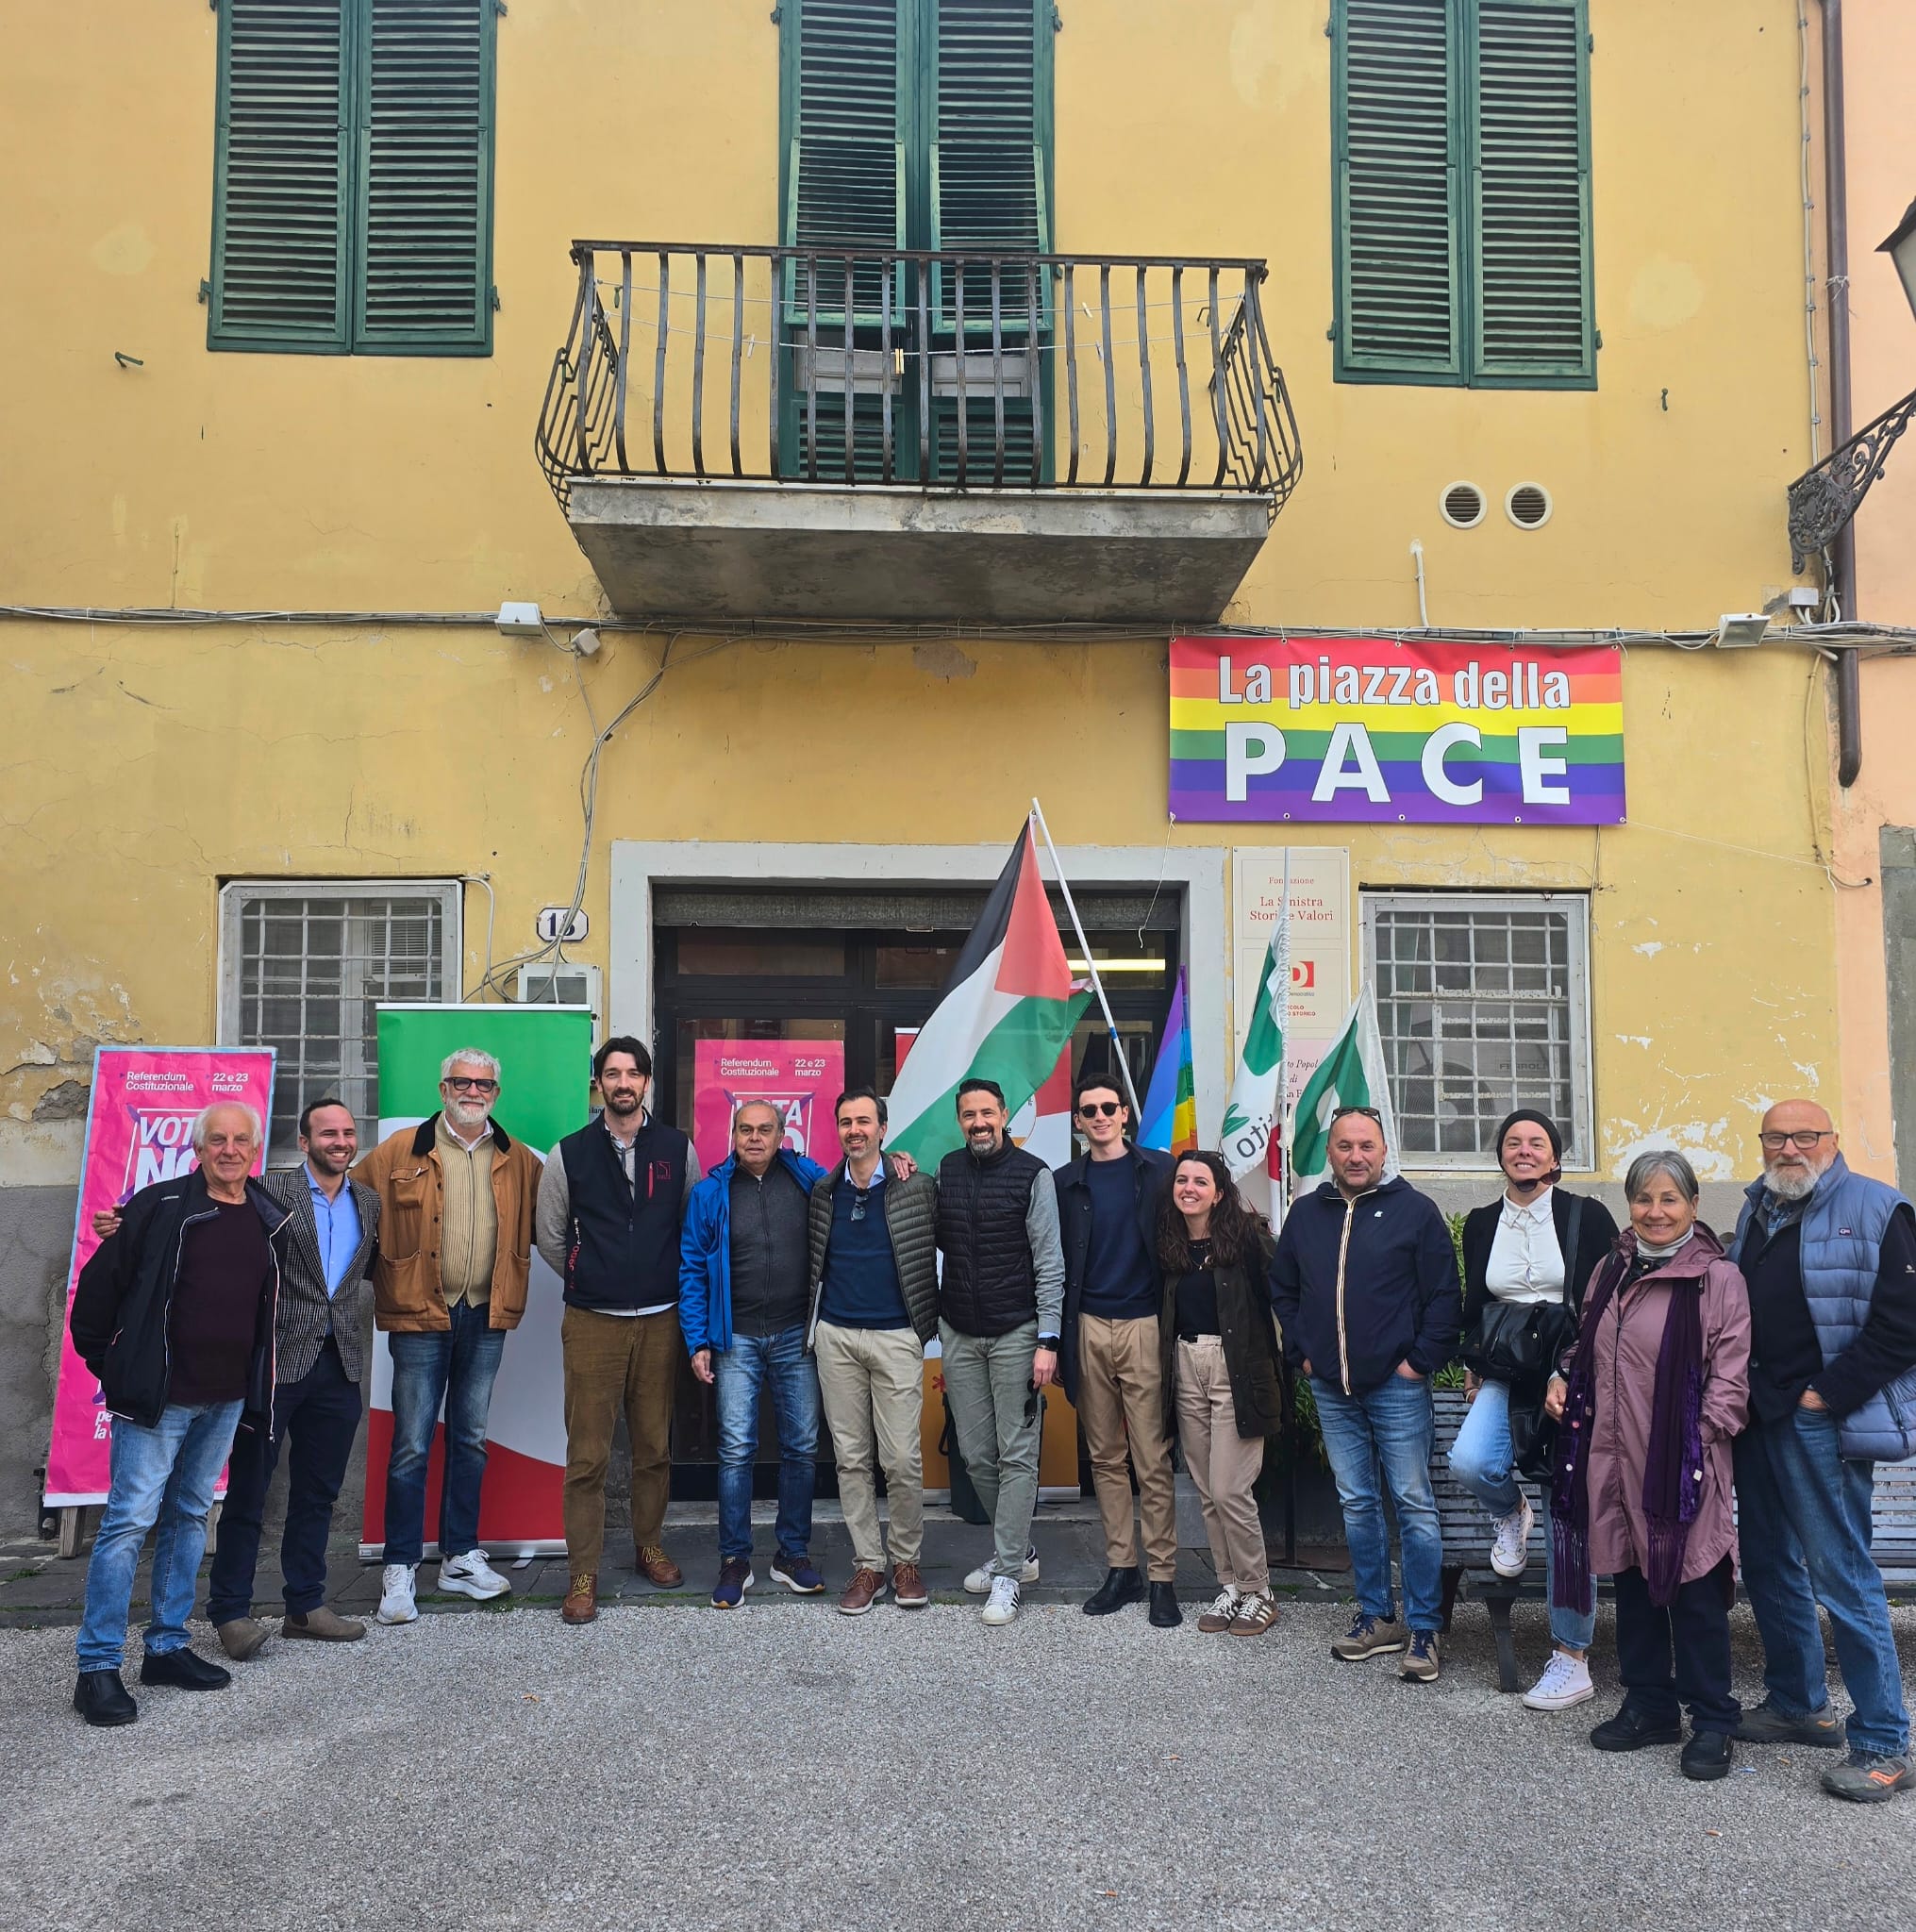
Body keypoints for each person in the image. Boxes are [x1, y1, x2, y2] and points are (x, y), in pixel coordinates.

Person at [68, 1104, 291, 1725]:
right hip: (159, 1399)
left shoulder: (266, 1214)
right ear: (198, 1149)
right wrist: (118, 1367)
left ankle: (166, 1647)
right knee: (128, 1524)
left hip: (225, 1397)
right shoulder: (160, 1205)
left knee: (190, 1515)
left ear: (255, 1149)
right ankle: (97, 1668)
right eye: (216, 1139)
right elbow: (97, 1293)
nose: (229, 1149)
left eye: (240, 1140)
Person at [1725, 1098, 1916, 1803]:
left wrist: (1824, 1395)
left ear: (1831, 1141)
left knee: (1842, 1575)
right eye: (1776, 1137)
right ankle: (1797, 1704)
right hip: (1759, 1415)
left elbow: (1904, 1325)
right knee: (1767, 1562)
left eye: (1805, 1136)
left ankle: (1883, 1744)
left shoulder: (1877, 1208)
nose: (1789, 1148)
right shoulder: (1759, 1209)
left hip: (1819, 1421)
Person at [1546, 1150, 1751, 1781]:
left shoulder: (1717, 1279)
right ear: (1629, 1204)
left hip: (1682, 1467)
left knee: (1693, 1592)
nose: (1655, 1212)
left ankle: (1713, 1719)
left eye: (1669, 1199)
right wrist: (1561, 1376)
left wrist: (1693, 1444)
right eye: (1643, 1199)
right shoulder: (1612, 1266)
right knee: (1632, 1584)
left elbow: (1730, 1382)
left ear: (1693, 1205)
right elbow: (1588, 1345)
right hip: (1611, 1460)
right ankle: (1649, 1704)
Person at [1270, 1106, 1458, 1682]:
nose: (1356, 1156)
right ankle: (1377, 1616)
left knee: (1413, 1503)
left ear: (1383, 1151)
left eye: (1366, 1146)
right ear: (1330, 1152)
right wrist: (1304, 1353)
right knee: (1357, 1503)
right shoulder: (1306, 1214)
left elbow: (1444, 1296)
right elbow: (1283, 1291)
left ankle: (1424, 1627)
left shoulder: (1415, 1212)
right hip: (1332, 1387)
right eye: (1345, 1146)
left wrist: (1417, 1364)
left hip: (1397, 1386)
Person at [355, 1048, 542, 1626]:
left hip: (485, 1314)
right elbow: (347, 1209)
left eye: (484, 1084)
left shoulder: (518, 1159)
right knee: (412, 1444)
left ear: (496, 1094)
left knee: (470, 1439)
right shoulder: (398, 1151)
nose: (472, 1091)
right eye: (462, 1082)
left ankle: (459, 1556)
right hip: (419, 1316)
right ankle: (400, 1565)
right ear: (443, 1089)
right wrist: (379, 1274)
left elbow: (553, 1221)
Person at [1454, 1109, 1619, 1711]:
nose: (1524, 1150)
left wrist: (1570, 1372)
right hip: (1508, 1370)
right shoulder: (1481, 1222)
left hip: (1573, 1374)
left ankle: (1571, 1656)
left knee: (1567, 1508)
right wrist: (1474, 1363)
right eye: (1513, 1142)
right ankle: (1510, 1513)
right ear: (1500, 1155)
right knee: (1472, 1461)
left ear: (1555, 1157)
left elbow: (1606, 1304)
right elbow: (1477, 1301)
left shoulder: (1586, 1216)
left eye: (1537, 1142)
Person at [205, 1098, 381, 1657]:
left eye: (348, 1132)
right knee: (250, 1490)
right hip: (275, 1364)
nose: (340, 1142)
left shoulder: (368, 1202)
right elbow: (207, 1213)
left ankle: (305, 1606)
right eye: (327, 1133)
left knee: (318, 1493)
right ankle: (230, 1612)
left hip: (339, 1364)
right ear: (304, 1143)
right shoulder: (268, 1193)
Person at [535, 1036, 700, 1624]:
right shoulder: (569, 1154)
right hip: (592, 1323)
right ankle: (583, 1573)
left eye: (633, 1073)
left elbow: (691, 1226)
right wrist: (591, 1275)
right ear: (598, 1083)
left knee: (654, 1447)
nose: (623, 1083)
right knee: (587, 1456)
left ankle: (649, 1546)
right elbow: (550, 1236)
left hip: (660, 1320)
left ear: (647, 1082)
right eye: (612, 1073)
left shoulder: (677, 1148)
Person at [681, 1099, 828, 1608]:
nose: (755, 1138)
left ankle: (792, 1553)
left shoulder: (810, 1182)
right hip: (735, 1337)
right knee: (736, 1449)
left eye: (765, 1130)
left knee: (801, 1447)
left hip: (796, 1334)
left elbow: (861, 1176)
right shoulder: (709, 1193)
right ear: (734, 1135)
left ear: (782, 1135)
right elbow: (692, 1270)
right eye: (745, 1129)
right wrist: (697, 1339)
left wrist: (896, 1159)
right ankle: (734, 1559)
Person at [935, 1078, 1067, 1627]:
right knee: (975, 1455)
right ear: (960, 1120)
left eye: (987, 1113)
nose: (979, 1123)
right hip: (961, 1333)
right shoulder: (947, 1170)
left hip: (1017, 1332)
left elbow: (1050, 1262)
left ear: (1005, 1114)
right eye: (969, 1115)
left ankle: (1009, 1572)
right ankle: (1020, 1551)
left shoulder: (1033, 1174)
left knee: (1017, 1454)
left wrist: (1048, 1340)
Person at [806, 1087, 939, 1616]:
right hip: (837, 1337)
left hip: (897, 1335)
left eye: (864, 1121)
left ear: (883, 1129)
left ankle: (906, 1560)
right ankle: (868, 1564)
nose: (854, 1130)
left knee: (901, 1458)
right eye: (846, 1122)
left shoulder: (916, 1186)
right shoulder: (823, 1191)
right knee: (851, 1459)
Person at [1055, 1071, 1180, 1627]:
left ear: (1125, 1114)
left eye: (1109, 1107)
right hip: (1087, 1325)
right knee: (1105, 1457)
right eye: (1090, 1110)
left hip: (1144, 1325)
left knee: (1152, 1458)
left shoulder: (1161, 1170)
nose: (1101, 1117)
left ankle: (1163, 1577)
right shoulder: (1064, 1182)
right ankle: (1121, 1568)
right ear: (1078, 1121)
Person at [1157, 1152, 1284, 1635]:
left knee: (1231, 1488)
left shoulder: (1248, 1240)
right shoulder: (1170, 1243)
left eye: (1200, 1181)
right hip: (1185, 1365)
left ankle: (1259, 1590)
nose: (1189, 1188)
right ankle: (1230, 1586)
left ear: (1219, 1193)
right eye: (1182, 1180)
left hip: (1237, 1368)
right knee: (1209, 1491)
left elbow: (1285, 1292)